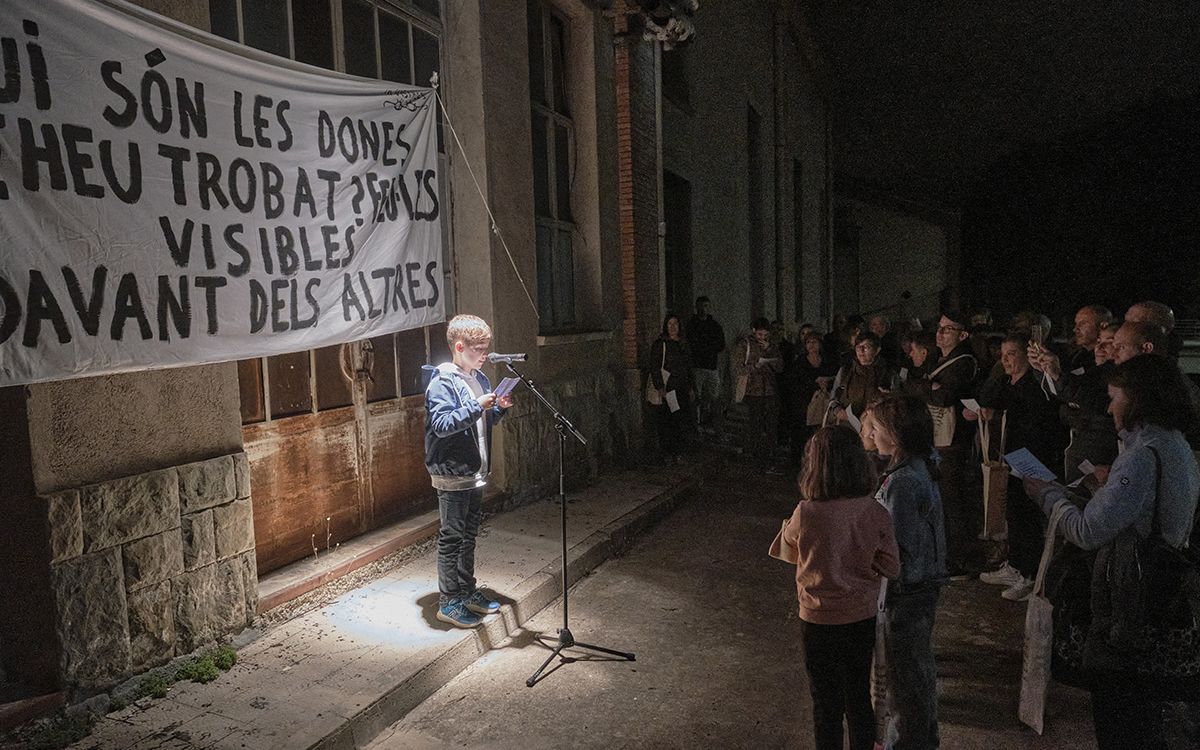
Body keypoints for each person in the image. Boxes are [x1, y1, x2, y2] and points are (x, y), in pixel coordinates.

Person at [1024, 354, 1200, 749]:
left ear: (1138, 400)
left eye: (1114, 397)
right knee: (1144, 713)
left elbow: (1086, 532)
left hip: (1129, 602)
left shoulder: (1140, 456)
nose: (1108, 407)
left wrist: (1047, 494)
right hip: (1162, 592)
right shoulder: (1175, 444)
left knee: (1122, 715)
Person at [783, 425, 900, 750]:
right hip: (859, 618)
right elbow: (892, 566)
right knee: (858, 699)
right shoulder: (874, 511)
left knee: (825, 705)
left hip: (817, 621)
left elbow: (789, 546)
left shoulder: (806, 513)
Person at [864, 396, 947, 750]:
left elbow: (895, 548)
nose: (870, 434)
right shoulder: (917, 467)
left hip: (907, 592)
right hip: (921, 587)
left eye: (876, 429)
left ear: (894, 436)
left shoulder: (903, 482)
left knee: (904, 682)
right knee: (918, 674)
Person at [424, 314, 513, 628]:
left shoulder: (481, 378)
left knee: (469, 535)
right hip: (452, 474)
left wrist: (496, 409)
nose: (484, 354)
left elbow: (479, 424)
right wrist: (478, 405)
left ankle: (466, 590)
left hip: (475, 472)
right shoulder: (442, 381)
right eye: (479, 349)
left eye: (486, 348)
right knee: (452, 537)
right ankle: (449, 601)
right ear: (459, 347)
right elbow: (443, 425)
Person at [970, 333, 1066, 601]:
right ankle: (1015, 564)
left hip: (1031, 458)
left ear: (1027, 355)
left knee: (1027, 517)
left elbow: (1037, 424)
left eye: (1011, 353)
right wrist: (1001, 373)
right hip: (1009, 457)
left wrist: (998, 415)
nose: (1005, 359)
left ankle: (1030, 574)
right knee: (1013, 512)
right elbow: (985, 396)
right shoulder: (1007, 382)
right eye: (1002, 354)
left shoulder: (1035, 387)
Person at [733, 318, 785, 472]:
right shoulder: (745, 345)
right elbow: (738, 367)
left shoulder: (772, 345)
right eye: (760, 333)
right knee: (755, 425)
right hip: (753, 391)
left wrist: (770, 350)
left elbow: (780, 366)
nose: (762, 337)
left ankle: (769, 456)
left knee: (770, 426)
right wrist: (755, 366)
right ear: (754, 331)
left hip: (770, 390)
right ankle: (757, 457)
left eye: (765, 334)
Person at [649, 313, 693, 464]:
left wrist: (692, 387)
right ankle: (667, 452)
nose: (673, 327)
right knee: (668, 421)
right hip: (669, 388)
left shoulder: (683, 344)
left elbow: (688, 367)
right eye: (670, 324)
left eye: (675, 324)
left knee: (681, 420)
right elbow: (654, 366)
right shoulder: (661, 344)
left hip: (682, 387)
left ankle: (679, 452)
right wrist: (660, 386)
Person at [790, 332, 838, 464]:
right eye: (808, 342)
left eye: (814, 342)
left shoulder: (826, 360)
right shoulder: (800, 361)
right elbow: (796, 380)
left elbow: (834, 375)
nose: (812, 345)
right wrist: (813, 383)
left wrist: (826, 382)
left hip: (822, 399)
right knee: (803, 431)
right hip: (804, 401)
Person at [831, 331, 897, 423]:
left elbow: (897, 401)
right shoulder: (845, 371)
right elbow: (833, 396)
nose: (861, 351)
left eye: (866, 347)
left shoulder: (888, 373)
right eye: (858, 347)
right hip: (848, 424)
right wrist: (837, 410)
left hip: (876, 425)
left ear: (877, 350)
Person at [686, 296, 726, 433]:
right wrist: (706, 346)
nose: (703, 309)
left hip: (711, 367)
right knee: (696, 398)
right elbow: (691, 344)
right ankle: (696, 425)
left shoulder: (714, 325)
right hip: (697, 367)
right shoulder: (691, 325)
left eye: (706, 306)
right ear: (696, 307)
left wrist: (706, 346)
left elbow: (721, 345)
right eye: (701, 306)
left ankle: (713, 425)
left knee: (714, 398)